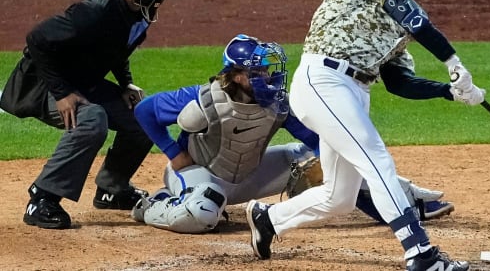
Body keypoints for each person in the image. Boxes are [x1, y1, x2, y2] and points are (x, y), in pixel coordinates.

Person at [245, 0, 484, 270]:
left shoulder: (401, 26)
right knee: (377, 162)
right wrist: (454, 63)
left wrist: (449, 90)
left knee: (339, 196)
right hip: (324, 80)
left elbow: (400, 82)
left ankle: (268, 219)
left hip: (354, 92)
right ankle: (420, 254)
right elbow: (412, 17)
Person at [129, 34, 454, 233]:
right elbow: (145, 111)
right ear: (238, 76)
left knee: (317, 159)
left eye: (269, 69)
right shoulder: (203, 97)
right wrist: (174, 154)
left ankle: (396, 204)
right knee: (203, 212)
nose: (270, 76)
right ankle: (153, 205)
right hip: (200, 176)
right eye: (259, 70)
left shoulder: (278, 104)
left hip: (248, 177)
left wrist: (391, 187)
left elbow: (325, 145)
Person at [0, 0, 173, 230]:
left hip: (84, 82)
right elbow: (37, 40)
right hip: (42, 84)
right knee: (92, 119)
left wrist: (124, 82)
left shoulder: (142, 10)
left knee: (144, 115)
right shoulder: (93, 12)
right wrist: (61, 93)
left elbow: (118, 49)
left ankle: (112, 189)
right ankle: (42, 198)